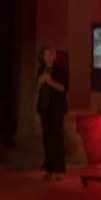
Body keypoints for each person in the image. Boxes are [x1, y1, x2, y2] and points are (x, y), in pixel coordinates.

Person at [36, 47, 68, 180]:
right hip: (44, 108)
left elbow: (63, 88)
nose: (48, 57)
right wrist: (39, 82)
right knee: (47, 139)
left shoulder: (60, 70)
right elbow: (37, 89)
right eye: (45, 55)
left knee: (57, 139)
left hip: (56, 109)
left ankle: (59, 170)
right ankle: (49, 169)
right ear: (42, 57)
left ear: (54, 57)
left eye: (50, 54)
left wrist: (50, 81)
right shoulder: (41, 70)